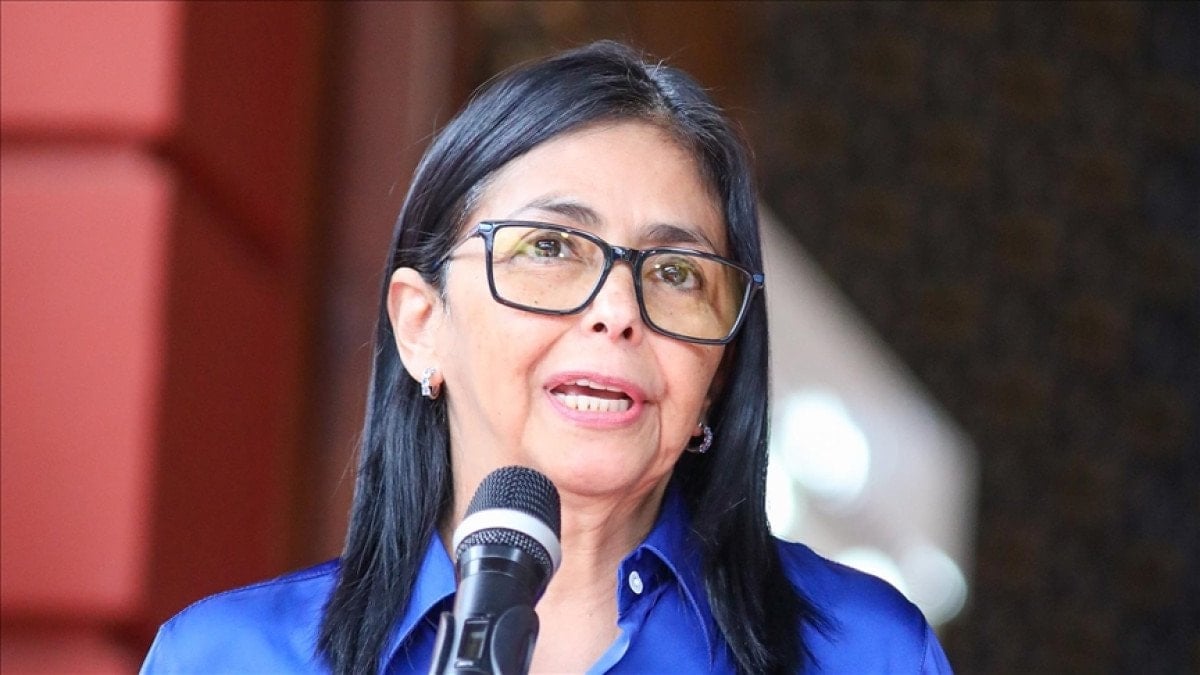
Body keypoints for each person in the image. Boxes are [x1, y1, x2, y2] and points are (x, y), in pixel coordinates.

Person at [141, 41, 952, 674]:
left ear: (718, 376)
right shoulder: (228, 658)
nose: (617, 312)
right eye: (550, 247)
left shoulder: (866, 654)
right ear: (422, 324)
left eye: (676, 272)